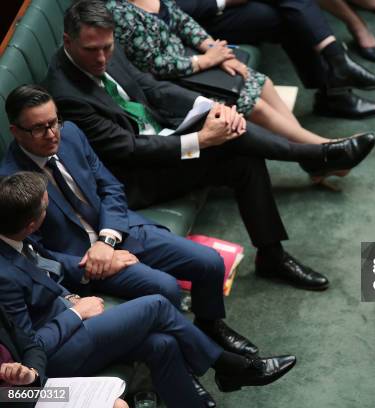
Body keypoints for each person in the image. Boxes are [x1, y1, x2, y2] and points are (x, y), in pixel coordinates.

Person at [43, 0, 375, 290]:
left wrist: (208, 106)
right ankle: (313, 156)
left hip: (159, 135)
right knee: (234, 150)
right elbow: (129, 149)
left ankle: (273, 253)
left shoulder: (101, 44)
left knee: (239, 152)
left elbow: (149, 86)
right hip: (134, 178)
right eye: (92, 50)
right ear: (67, 41)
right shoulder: (66, 94)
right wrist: (199, 140)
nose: (102, 57)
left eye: (107, 47)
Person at [1, 84, 281, 359]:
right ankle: (183, 354)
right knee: (166, 287)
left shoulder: (71, 134)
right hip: (84, 261)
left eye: (54, 122)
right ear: (15, 131)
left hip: (117, 229)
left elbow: (109, 186)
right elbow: (33, 254)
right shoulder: (11, 183)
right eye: (39, 128)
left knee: (210, 262)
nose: (51, 134)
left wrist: (108, 239)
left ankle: (210, 326)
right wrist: (97, 261)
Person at [0, 171, 296, 408]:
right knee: (156, 304)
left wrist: (71, 294)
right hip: (58, 355)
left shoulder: (15, 237)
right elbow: (31, 345)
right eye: (45, 207)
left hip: (72, 317)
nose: (48, 209)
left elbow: (47, 269)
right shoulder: (5, 277)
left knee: (162, 345)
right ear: (31, 224)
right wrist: (76, 312)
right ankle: (228, 366)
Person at [106, 0, 361, 149]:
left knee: (262, 82)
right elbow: (152, 65)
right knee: (256, 106)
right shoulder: (115, 11)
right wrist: (205, 60)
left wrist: (212, 48)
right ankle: (321, 149)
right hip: (171, 82)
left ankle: (313, 156)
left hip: (195, 61)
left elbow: (184, 21)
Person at [175, 0, 375, 118]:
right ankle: (336, 72)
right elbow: (163, 9)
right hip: (193, 19)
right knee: (284, 18)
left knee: (289, 10)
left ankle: (336, 73)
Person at [1, 304, 129, 408]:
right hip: (9, 398)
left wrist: (31, 375)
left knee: (117, 405)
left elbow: (31, 348)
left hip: (26, 392)